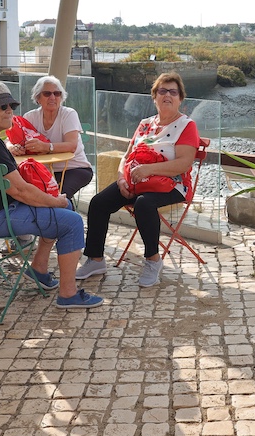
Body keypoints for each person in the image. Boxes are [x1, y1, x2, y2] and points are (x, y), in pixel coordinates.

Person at [0, 80, 103, 309]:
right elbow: (21, 191)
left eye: (10, 105)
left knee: (66, 208)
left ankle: (39, 269)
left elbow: (18, 189)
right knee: (71, 221)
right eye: (2, 107)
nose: (9, 111)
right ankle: (68, 293)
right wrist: (56, 201)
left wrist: (57, 202)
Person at [81, 72, 200, 288]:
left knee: (144, 203)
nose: (167, 95)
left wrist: (148, 170)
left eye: (173, 92)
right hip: (137, 181)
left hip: (171, 184)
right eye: (162, 91)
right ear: (154, 97)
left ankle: (153, 260)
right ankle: (95, 259)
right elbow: (127, 155)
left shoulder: (186, 125)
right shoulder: (146, 123)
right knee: (98, 203)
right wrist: (120, 179)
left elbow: (184, 163)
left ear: (180, 98)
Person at [7, 75, 93, 199]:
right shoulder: (30, 117)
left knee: (58, 197)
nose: (53, 97)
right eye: (47, 93)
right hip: (41, 170)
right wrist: (12, 147)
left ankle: (69, 218)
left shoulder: (69, 114)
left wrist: (46, 147)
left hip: (73, 167)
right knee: (25, 194)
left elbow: (72, 145)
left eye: (57, 94)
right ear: (38, 98)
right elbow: (8, 140)